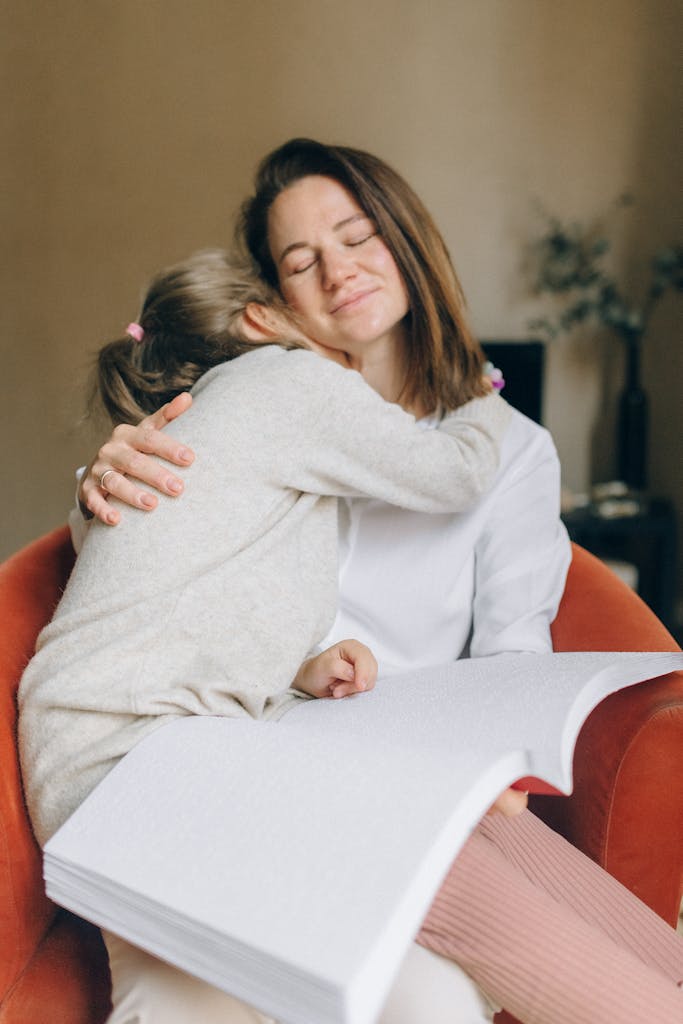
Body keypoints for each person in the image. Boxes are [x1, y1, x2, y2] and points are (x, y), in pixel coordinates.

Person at [60, 140, 683, 1023]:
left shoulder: (502, 450)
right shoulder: (252, 406)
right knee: (183, 994)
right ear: (271, 304)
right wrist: (98, 487)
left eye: (357, 237)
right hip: (241, 758)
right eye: (301, 260)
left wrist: (487, 768)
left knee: (507, 968)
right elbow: (151, 568)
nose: (338, 271)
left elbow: (511, 654)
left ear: (405, 240)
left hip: (410, 776)